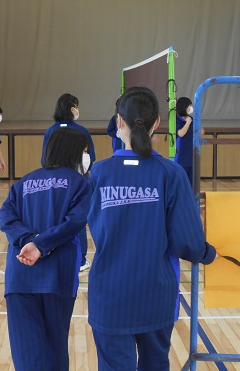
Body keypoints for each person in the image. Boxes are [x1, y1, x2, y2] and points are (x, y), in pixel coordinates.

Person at [87, 87, 216, 370]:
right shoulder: (171, 173)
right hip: (155, 296)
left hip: (110, 297)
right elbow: (188, 243)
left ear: (118, 122)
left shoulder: (98, 173)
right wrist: (208, 253)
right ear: (158, 122)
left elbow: (93, 226)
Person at [0, 128, 91, 371]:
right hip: (57, 279)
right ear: (73, 152)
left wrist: (30, 240)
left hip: (19, 277)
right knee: (54, 350)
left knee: (26, 355)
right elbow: (74, 221)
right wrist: (39, 244)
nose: (87, 156)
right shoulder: (80, 183)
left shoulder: (23, 183)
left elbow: (6, 218)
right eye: (84, 151)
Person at [41, 93, 95, 272]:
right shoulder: (82, 131)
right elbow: (90, 160)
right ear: (72, 109)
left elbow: (44, 160)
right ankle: (79, 261)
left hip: (54, 184)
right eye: (77, 106)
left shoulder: (50, 131)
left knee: (55, 218)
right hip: (77, 184)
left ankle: (54, 254)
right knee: (77, 219)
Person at [175, 96, 201, 185]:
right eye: (189, 105)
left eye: (191, 105)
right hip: (182, 155)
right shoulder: (177, 120)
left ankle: (192, 197)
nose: (190, 107)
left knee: (192, 180)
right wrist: (188, 122)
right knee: (181, 180)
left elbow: (199, 132)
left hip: (192, 154)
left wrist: (200, 130)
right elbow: (181, 133)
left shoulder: (192, 119)